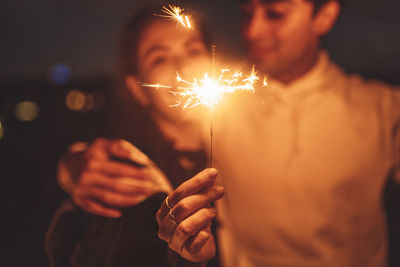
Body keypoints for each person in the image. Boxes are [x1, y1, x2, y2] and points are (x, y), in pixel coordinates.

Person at [157, 0, 400, 266]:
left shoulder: (383, 108)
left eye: (275, 14)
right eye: (246, 14)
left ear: (324, 16)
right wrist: (105, 163)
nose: (252, 31)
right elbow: (154, 140)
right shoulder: (218, 107)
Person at [45, 6, 224, 267]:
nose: (182, 67)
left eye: (193, 51)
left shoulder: (248, 146)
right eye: (159, 59)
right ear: (138, 89)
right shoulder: (126, 177)